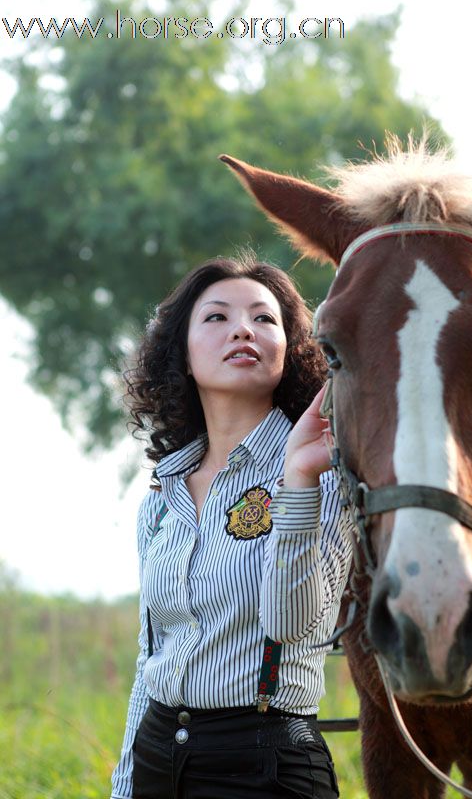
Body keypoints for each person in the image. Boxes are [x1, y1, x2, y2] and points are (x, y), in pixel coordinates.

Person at [111, 255, 354, 799]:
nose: (243, 328)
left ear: (289, 350)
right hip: (155, 754)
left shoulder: (324, 474)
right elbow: (150, 661)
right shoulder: (162, 496)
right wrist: (125, 784)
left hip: (264, 762)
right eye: (217, 317)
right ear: (184, 355)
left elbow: (292, 624)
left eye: (264, 319)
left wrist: (297, 478)